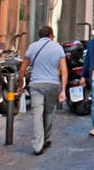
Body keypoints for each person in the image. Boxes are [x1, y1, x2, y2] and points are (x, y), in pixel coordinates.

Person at [18, 25, 67, 155]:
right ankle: (46, 138)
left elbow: (22, 69)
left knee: (37, 113)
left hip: (36, 84)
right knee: (50, 112)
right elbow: (64, 70)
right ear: (51, 35)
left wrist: (19, 85)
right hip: (53, 84)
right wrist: (63, 89)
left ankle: (38, 145)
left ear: (40, 35)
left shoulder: (32, 47)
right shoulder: (58, 47)